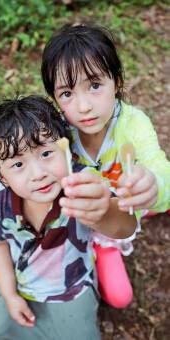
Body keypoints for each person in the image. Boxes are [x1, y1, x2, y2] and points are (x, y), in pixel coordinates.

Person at [0, 95, 137, 340]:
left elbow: (125, 227)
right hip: (18, 280)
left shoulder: (83, 184)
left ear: (67, 150)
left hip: (70, 287)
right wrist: (9, 294)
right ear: (2, 177)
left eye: (46, 153)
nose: (38, 174)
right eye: (18, 165)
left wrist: (102, 211)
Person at [41, 22, 170, 308]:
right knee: (120, 297)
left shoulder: (134, 124)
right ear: (54, 99)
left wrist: (154, 183)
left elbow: (158, 166)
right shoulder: (57, 131)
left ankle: (147, 204)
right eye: (66, 94)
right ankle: (105, 244)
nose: (83, 106)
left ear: (117, 81)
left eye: (95, 85)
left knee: (160, 191)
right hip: (97, 220)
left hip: (127, 197)